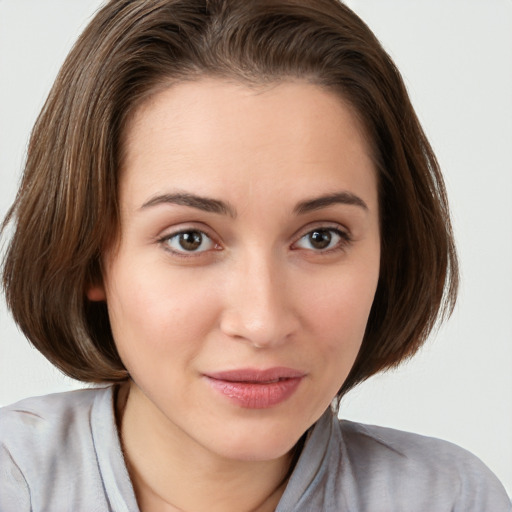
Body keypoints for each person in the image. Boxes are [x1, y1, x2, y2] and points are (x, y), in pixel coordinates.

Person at [0, 0, 510, 510]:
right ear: (89, 254)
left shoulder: (449, 499)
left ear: (388, 250)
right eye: (190, 239)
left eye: (321, 237)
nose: (262, 323)